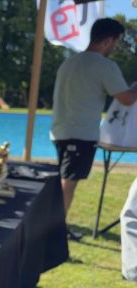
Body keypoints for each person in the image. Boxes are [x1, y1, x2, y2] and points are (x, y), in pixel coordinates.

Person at [51, 18, 137, 240]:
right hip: (80, 134)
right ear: (107, 40)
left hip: (60, 131)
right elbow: (126, 99)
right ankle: (55, 232)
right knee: (68, 183)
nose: (116, 47)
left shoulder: (69, 62)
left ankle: (57, 228)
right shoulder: (104, 66)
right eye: (116, 42)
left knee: (64, 181)